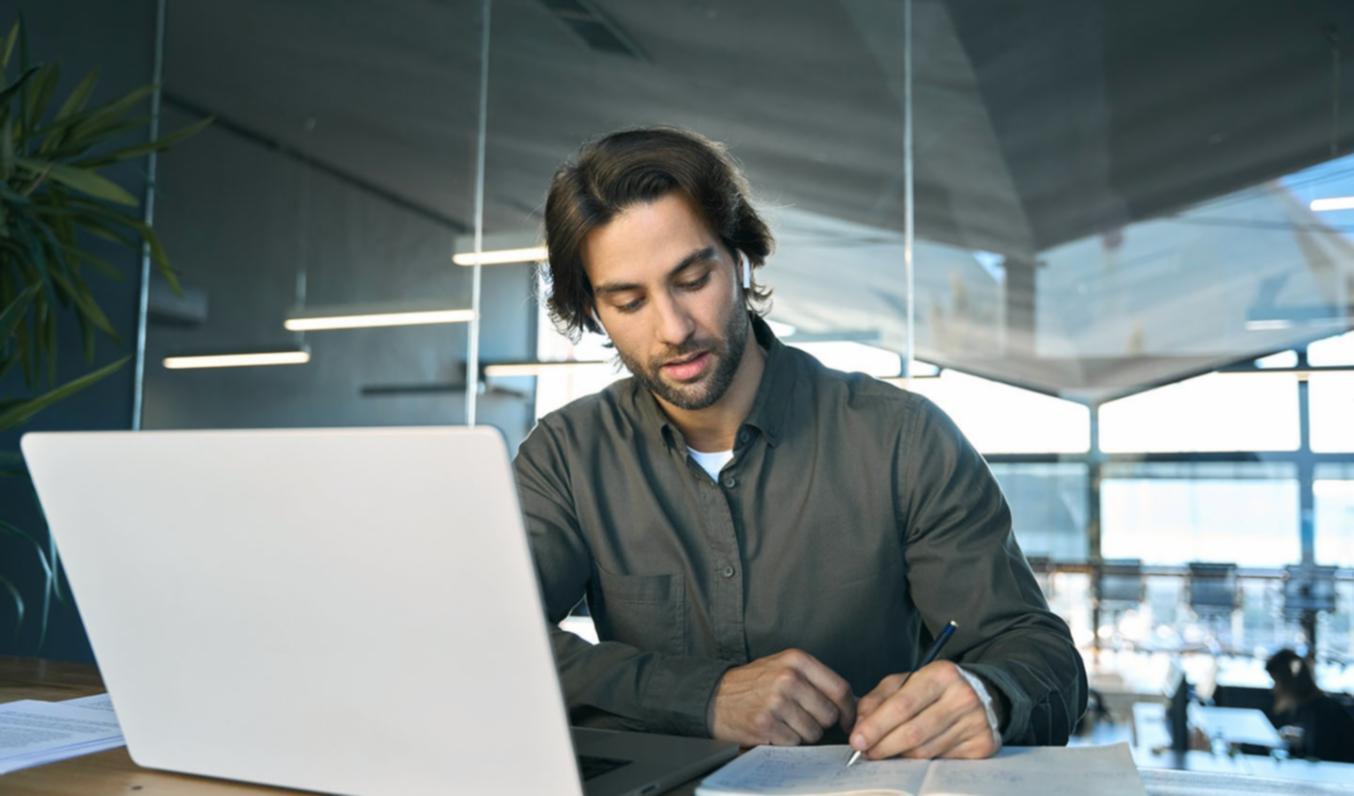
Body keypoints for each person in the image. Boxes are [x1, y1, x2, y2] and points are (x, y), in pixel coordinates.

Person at [513, 127, 1087, 761]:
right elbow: (489, 641)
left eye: (693, 278)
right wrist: (703, 695)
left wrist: (989, 696)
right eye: (628, 301)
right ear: (595, 312)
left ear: (742, 259)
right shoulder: (565, 459)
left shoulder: (902, 438)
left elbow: (1039, 654)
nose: (672, 329)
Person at [1265, 648, 1354, 763]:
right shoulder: (1307, 708)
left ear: (1288, 682)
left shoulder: (1323, 711)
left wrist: (1301, 741)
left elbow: (1321, 756)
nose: (1274, 690)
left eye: (1275, 682)